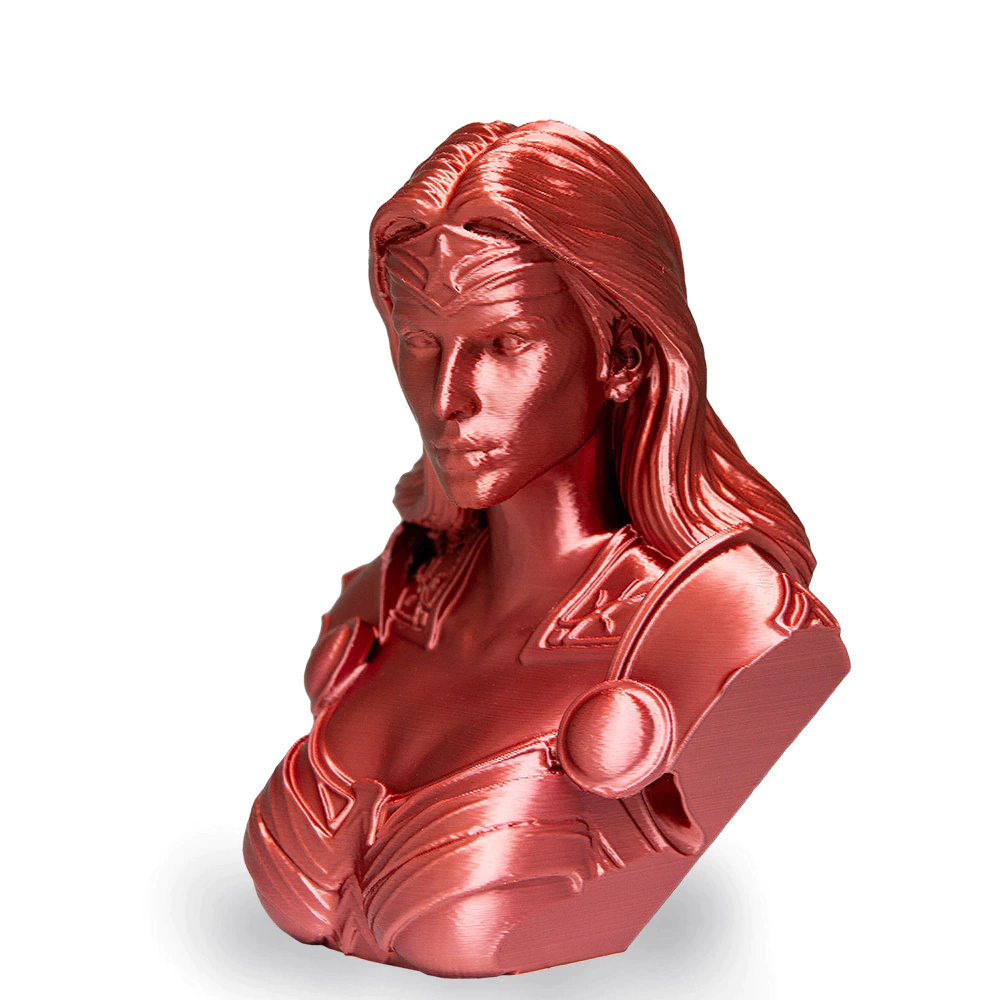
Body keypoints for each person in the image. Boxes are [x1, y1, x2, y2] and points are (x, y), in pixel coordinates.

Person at [244, 120, 849, 978]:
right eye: (421, 342)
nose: (447, 399)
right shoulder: (392, 595)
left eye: (504, 343)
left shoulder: (727, 628)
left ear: (624, 353)